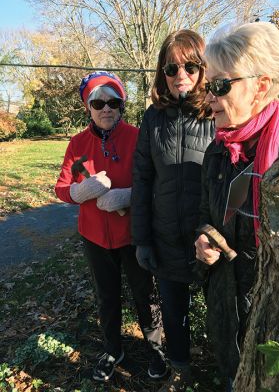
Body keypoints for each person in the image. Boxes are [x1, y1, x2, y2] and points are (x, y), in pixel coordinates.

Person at [194, 21, 279, 391]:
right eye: (208, 86)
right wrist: (205, 238)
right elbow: (206, 216)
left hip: (278, 322)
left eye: (220, 85)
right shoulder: (217, 150)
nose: (208, 97)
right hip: (226, 304)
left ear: (262, 86)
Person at [55, 71, 166, 383]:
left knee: (145, 294)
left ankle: (156, 349)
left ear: (121, 105)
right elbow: (61, 187)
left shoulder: (138, 136)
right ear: (87, 107)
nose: (106, 108)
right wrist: (78, 192)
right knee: (106, 296)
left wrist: (129, 196)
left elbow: (158, 184)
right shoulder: (77, 144)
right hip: (94, 237)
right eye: (98, 102)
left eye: (113, 102)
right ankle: (112, 349)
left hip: (133, 235)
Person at [131, 30, 215, 391]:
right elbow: (142, 180)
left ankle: (228, 372)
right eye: (171, 67)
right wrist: (142, 240)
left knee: (222, 316)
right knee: (174, 314)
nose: (181, 74)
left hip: (210, 242)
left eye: (191, 65)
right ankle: (181, 370)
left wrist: (216, 234)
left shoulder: (217, 112)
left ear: (204, 69)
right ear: (161, 73)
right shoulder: (153, 118)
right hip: (165, 239)